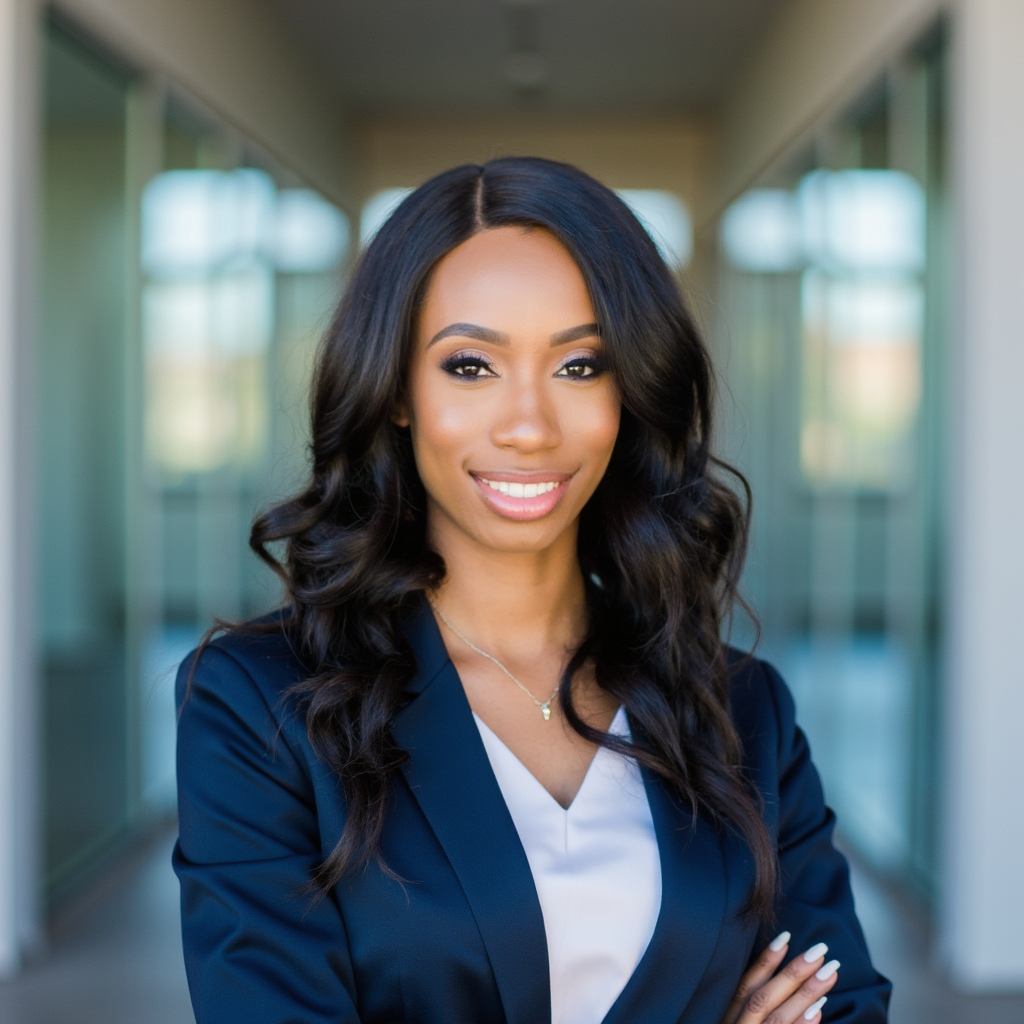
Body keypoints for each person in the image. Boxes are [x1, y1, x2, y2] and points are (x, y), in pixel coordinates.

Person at [173, 157, 891, 1024]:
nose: (528, 426)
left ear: (632, 390)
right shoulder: (263, 705)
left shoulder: (743, 708)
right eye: (470, 366)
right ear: (397, 392)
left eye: (581, 366)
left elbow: (841, 1004)